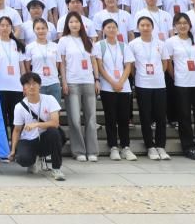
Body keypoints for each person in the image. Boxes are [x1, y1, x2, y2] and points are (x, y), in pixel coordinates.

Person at [166, 12, 195, 160]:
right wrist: (175, 75)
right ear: (175, 26)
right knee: (184, 116)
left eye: (185, 23)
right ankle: (188, 147)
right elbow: (168, 62)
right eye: (179, 23)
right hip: (182, 83)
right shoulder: (171, 42)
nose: (182, 25)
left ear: (190, 25)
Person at [7, 72, 66, 180]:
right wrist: (13, 150)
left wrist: (37, 124)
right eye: (28, 84)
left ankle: (56, 168)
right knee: (22, 159)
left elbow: (55, 122)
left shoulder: (49, 99)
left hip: (45, 138)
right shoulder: (19, 107)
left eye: (34, 83)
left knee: (54, 131)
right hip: (29, 140)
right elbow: (17, 130)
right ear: (24, 88)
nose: (31, 86)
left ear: (40, 85)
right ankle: (32, 161)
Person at [58, 11, 98, 162]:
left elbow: (93, 61)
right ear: (67, 25)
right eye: (71, 22)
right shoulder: (63, 41)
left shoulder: (88, 41)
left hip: (88, 81)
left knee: (91, 118)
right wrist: (64, 81)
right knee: (74, 119)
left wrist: (97, 79)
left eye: (76, 22)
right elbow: (62, 63)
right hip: (72, 82)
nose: (74, 24)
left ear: (81, 24)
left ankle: (92, 151)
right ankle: (79, 150)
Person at [128, 15, 170, 160]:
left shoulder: (161, 44)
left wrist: (158, 74)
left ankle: (161, 146)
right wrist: (139, 76)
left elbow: (165, 63)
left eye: (148, 25)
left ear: (152, 27)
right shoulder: (133, 44)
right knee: (145, 116)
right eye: (142, 25)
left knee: (161, 117)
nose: (145, 28)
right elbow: (131, 66)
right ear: (138, 27)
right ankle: (150, 146)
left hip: (159, 84)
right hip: (142, 84)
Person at [95, 18, 136, 161]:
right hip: (107, 87)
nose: (111, 29)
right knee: (110, 117)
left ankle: (125, 147)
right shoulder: (99, 45)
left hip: (123, 87)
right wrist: (113, 82)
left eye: (114, 27)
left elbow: (128, 66)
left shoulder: (124, 46)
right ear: (103, 30)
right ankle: (113, 146)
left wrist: (121, 82)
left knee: (124, 118)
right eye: (108, 27)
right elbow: (100, 66)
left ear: (118, 30)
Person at [0, 16, 27, 139]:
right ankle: (5, 147)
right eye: (2, 25)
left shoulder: (17, 44)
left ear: (11, 28)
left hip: (16, 87)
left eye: (8, 25)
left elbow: (21, 66)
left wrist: (24, 85)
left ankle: (17, 146)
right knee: (2, 120)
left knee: (17, 120)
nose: (5, 28)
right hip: (0, 88)